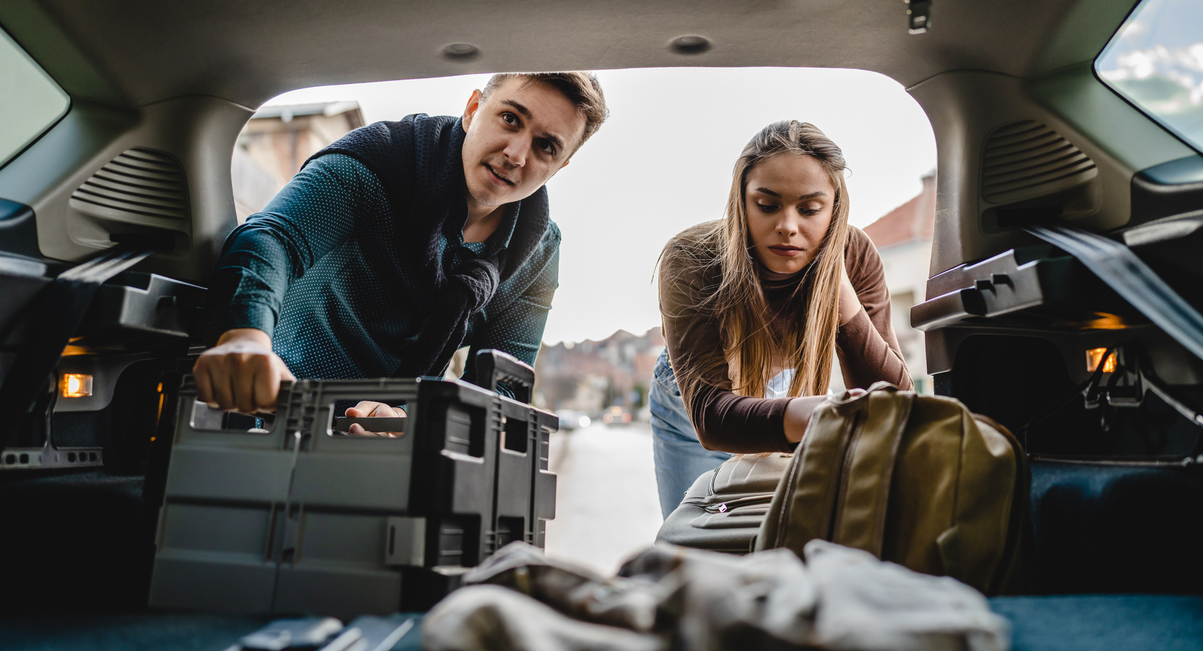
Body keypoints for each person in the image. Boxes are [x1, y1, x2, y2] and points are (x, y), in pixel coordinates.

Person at [194, 72, 607, 431]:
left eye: (546, 147)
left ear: (561, 165)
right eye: (510, 119)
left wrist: (416, 421)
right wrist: (245, 337)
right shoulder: (379, 161)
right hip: (278, 411)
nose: (516, 155)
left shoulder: (538, 254)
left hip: (406, 448)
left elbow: (504, 387)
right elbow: (273, 237)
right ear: (473, 109)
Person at [650, 120, 911, 516]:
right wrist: (808, 414)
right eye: (767, 205)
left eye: (810, 209)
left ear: (834, 212)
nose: (788, 227)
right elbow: (711, 417)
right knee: (692, 543)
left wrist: (836, 288)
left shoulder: (855, 254)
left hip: (785, 390)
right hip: (687, 401)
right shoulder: (691, 258)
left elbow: (894, 401)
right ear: (742, 201)